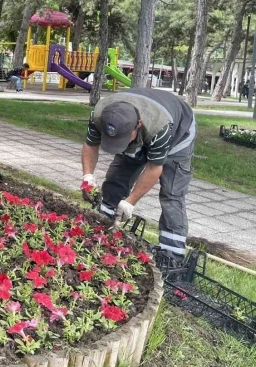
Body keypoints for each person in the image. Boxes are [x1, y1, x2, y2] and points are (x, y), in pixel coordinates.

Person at [80, 88, 196, 267]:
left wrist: (130, 201)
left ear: (138, 125)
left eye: (124, 139)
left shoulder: (160, 126)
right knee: (117, 177)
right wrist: (87, 176)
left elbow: (153, 168)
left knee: (171, 193)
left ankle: (172, 257)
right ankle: (104, 227)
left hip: (178, 134)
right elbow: (90, 145)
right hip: (142, 131)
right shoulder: (100, 114)